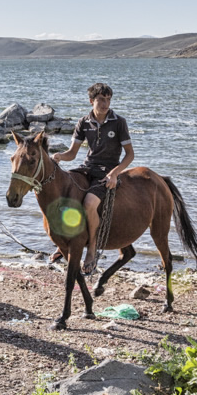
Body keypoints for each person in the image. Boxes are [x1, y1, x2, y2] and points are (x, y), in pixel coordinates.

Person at [51, 82, 134, 274]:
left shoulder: (118, 122)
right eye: (100, 100)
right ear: (91, 101)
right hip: (87, 168)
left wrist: (114, 174)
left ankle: (92, 248)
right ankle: (63, 243)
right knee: (64, 193)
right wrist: (59, 156)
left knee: (89, 203)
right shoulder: (83, 122)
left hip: (108, 172)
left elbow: (130, 155)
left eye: (108, 100)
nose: (105, 104)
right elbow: (72, 153)